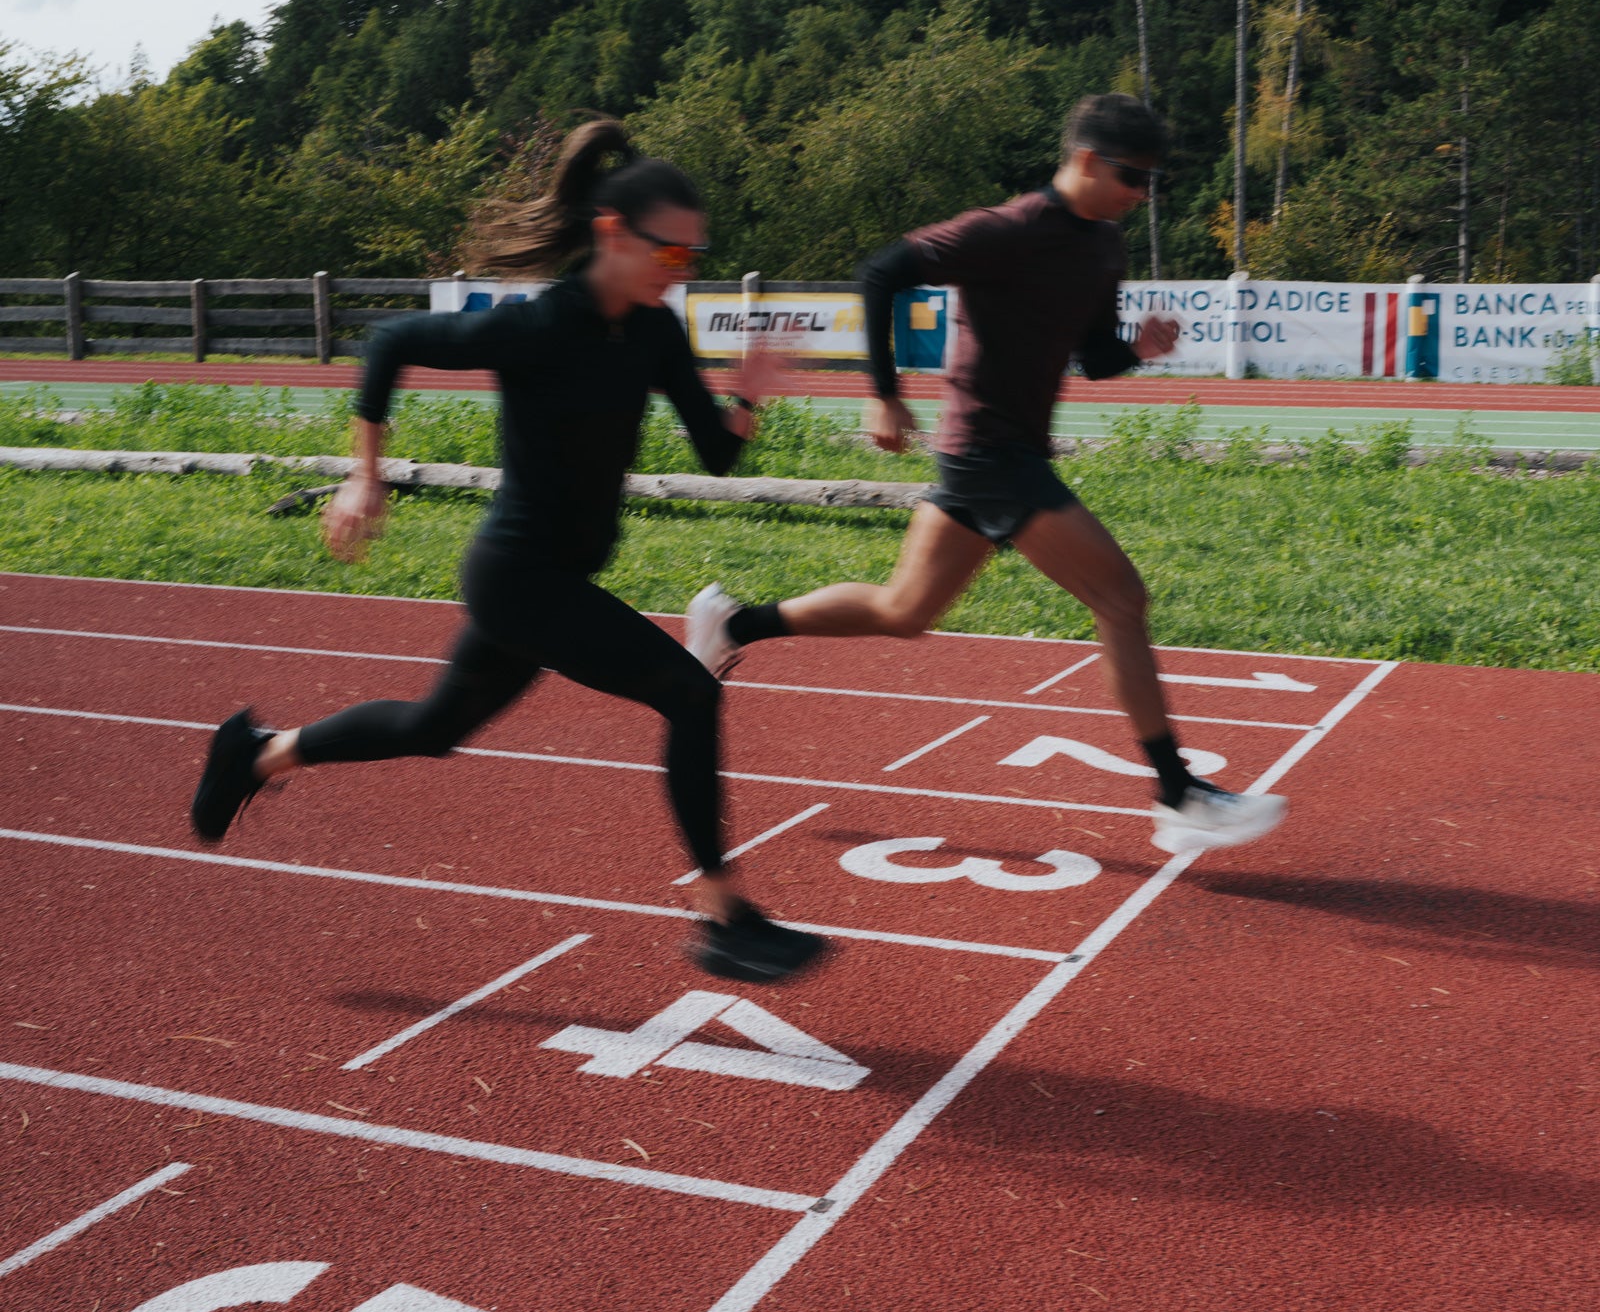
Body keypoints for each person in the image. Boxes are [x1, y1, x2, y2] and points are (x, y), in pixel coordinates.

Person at [188, 119, 826, 984]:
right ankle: (724, 917)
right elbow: (390, 344)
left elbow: (716, 453)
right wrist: (362, 477)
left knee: (432, 727)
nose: (683, 274)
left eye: (693, 261)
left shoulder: (653, 335)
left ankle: (258, 751)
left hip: (547, 580)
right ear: (611, 234)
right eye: (671, 257)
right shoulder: (538, 327)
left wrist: (746, 396)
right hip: (518, 577)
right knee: (687, 691)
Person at [686, 94, 1286, 854]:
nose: (1142, 194)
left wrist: (1141, 347)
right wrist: (884, 392)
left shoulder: (1104, 247)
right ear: (1088, 161)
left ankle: (732, 623)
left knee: (904, 611)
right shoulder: (1005, 230)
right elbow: (881, 274)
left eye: (1152, 182)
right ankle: (1177, 795)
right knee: (1122, 598)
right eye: (1133, 177)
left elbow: (1094, 354)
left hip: (1005, 458)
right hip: (989, 453)